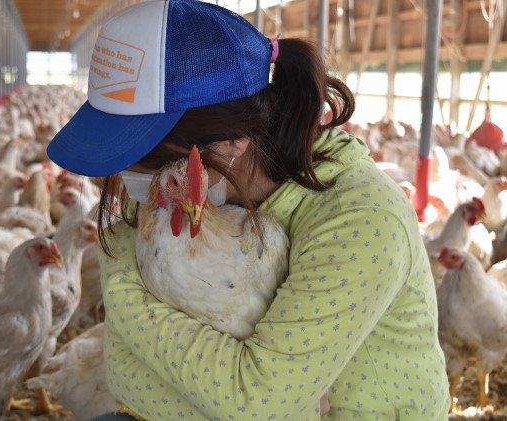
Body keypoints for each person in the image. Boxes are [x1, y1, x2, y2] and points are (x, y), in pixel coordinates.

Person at [46, 0, 450, 419]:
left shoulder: (363, 220)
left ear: (230, 142)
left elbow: (257, 403)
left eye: (140, 157)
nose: (128, 178)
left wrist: (127, 310)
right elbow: (125, 377)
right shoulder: (170, 191)